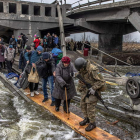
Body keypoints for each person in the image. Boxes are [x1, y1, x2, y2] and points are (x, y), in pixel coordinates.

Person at [74, 57, 105, 131]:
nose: (79, 70)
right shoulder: (82, 69)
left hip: (94, 91)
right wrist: (80, 88)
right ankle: (86, 119)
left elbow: (101, 81)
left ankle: (92, 123)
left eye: (80, 69)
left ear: (83, 66)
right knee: (83, 105)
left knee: (90, 108)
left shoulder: (93, 69)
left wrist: (93, 88)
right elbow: (81, 79)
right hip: (85, 90)